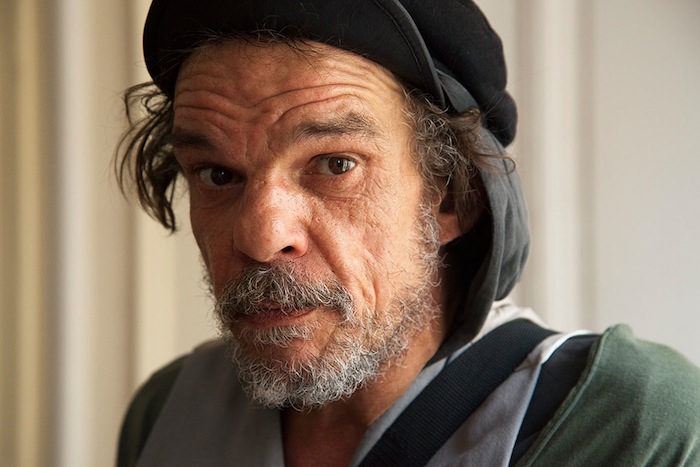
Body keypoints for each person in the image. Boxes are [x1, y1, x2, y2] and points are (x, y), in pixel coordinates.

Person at [115, 1, 700, 465]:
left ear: (452, 196)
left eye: (335, 164)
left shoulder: (628, 424)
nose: (261, 237)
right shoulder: (168, 414)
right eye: (217, 175)